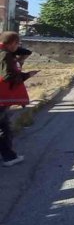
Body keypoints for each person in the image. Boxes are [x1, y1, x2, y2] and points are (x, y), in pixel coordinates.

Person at [0, 31, 37, 167]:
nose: (19, 46)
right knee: (3, 128)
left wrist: (11, 46)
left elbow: (26, 51)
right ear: (12, 44)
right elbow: (7, 77)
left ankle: (8, 154)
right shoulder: (6, 55)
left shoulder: (5, 52)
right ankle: (8, 156)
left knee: (5, 127)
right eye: (17, 43)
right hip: (2, 97)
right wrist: (26, 75)